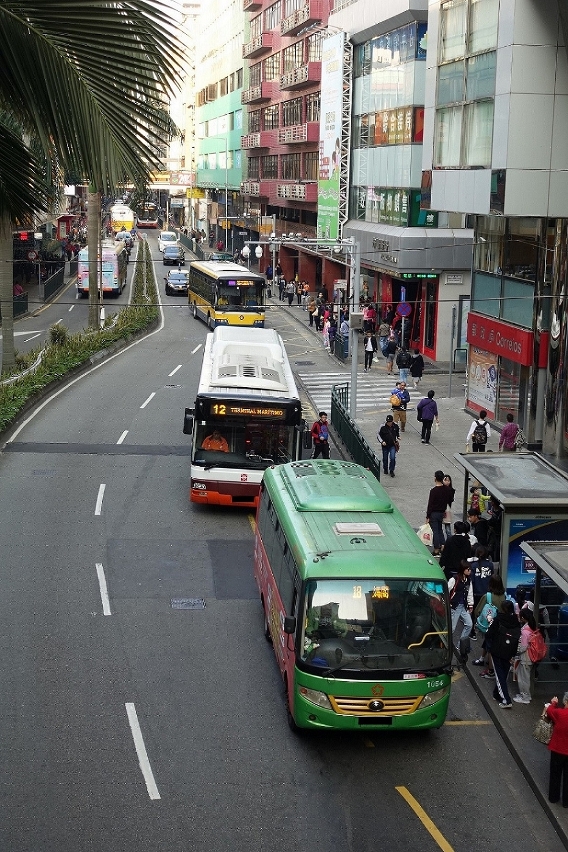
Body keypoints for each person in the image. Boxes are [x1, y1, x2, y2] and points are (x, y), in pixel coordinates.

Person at [485, 599, 521, 708]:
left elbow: (489, 634)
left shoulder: (498, 619)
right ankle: (496, 694)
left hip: (497, 650)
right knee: (503, 673)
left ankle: (506, 700)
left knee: (499, 675)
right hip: (510, 651)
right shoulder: (516, 622)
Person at [473, 573, 506, 673]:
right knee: (488, 643)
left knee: (490, 647)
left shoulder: (487, 596)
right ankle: (482, 658)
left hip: (489, 626)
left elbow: (477, 611)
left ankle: (491, 670)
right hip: (500, 626)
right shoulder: (504, 596)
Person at [545, 693, 568, 805]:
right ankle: (566, 801)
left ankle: (553, 797)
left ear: (565, 701)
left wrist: (553, 702)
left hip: (558, 749)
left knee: (555, 774)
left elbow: (549, 711)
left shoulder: (560, 713)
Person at [513, 609, 539, 703]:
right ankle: (524, 695)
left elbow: (523, 647)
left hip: (525, 658)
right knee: (525, 677)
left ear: (523, 618)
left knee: (523, 678)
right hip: (530, 656)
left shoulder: (525, 631)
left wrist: (516, 652)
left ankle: (525, 697)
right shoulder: (532, 627)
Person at [468, 545, 494, 638]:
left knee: (474, 612)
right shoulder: (490, 565)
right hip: (487, 593)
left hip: (476, 593)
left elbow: (472, 581)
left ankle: (472, 632)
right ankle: (485, 629)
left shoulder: (473, 566)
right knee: (487, 611)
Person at [426, 470, 454, 556]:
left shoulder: (433, 491)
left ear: (435, 478)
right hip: (442, 512)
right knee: (440, 529)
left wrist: (427, 516)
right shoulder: (447, 489)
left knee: (435, 531)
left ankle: (436, 549)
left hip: (434, 513)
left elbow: (430, 504)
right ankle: (443, 545)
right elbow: (450, 499)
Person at [448, 561, 474, 644]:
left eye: (470, 569)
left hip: (463, 606)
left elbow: (470, 593)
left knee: (469, 624)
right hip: (454, 606)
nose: (470, 571)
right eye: (468, 569)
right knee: (451, 629)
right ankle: (445, 644)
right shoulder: (454, 579)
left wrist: (470, 604)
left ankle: (461, 645)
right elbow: (447, 590)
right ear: (463, 569)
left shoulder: (468, 580)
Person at [442, 474, 455, 539]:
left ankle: (449, 539)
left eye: (448, 480)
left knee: (447, 526)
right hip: (440, 509)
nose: (447, 482)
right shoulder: (440, 489)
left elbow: (450, 500)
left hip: (447, 510)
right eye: (445, 480)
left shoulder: (451, 490)